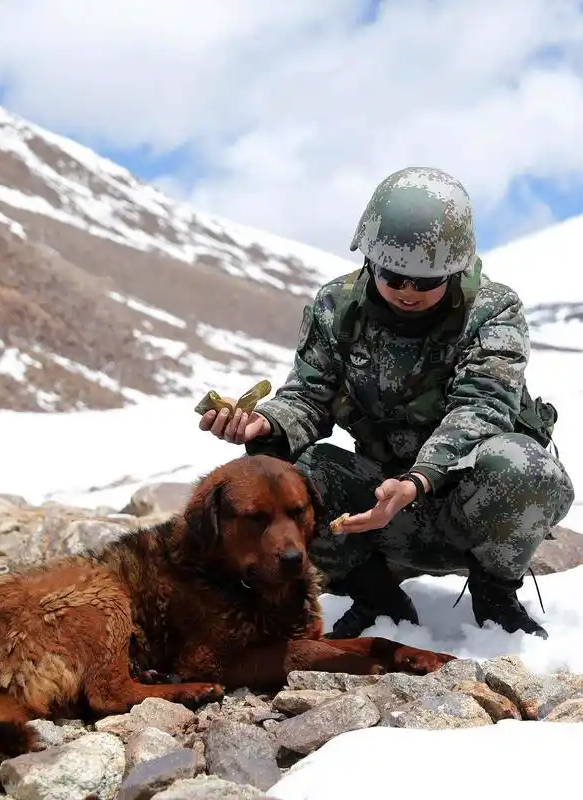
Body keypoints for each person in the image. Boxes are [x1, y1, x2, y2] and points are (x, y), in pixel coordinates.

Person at [199, 166, 573, 640]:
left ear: (455, 270)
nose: (408, 292)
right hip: (378, 507)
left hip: (469, 506)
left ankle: (495, 595)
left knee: (523, 465)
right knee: (282, 468)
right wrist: (266, 424)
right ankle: (375, 596)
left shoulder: (493, 311)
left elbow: (482, 407)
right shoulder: (336, 308)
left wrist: (418, 480)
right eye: (394, 276)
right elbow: (308, 397)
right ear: (370, 260)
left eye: (426, 280)